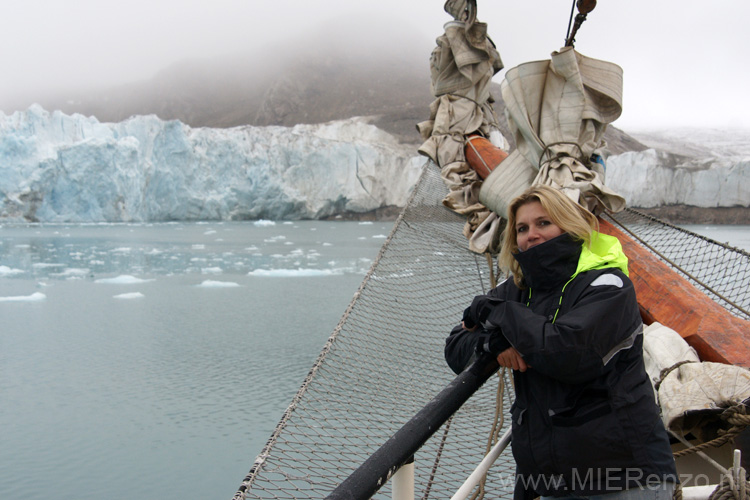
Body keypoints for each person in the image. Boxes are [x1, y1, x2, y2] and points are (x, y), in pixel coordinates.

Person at [444, 185, 678, 500]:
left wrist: (496, 312)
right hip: (554, 482)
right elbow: (457, 345)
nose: (531, 235)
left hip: (624, 478)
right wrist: (496, 345)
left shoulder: (607, 285)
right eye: (522, 228)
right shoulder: (518, 288)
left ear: (569, 225)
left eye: (544, 223)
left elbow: (568, 353)